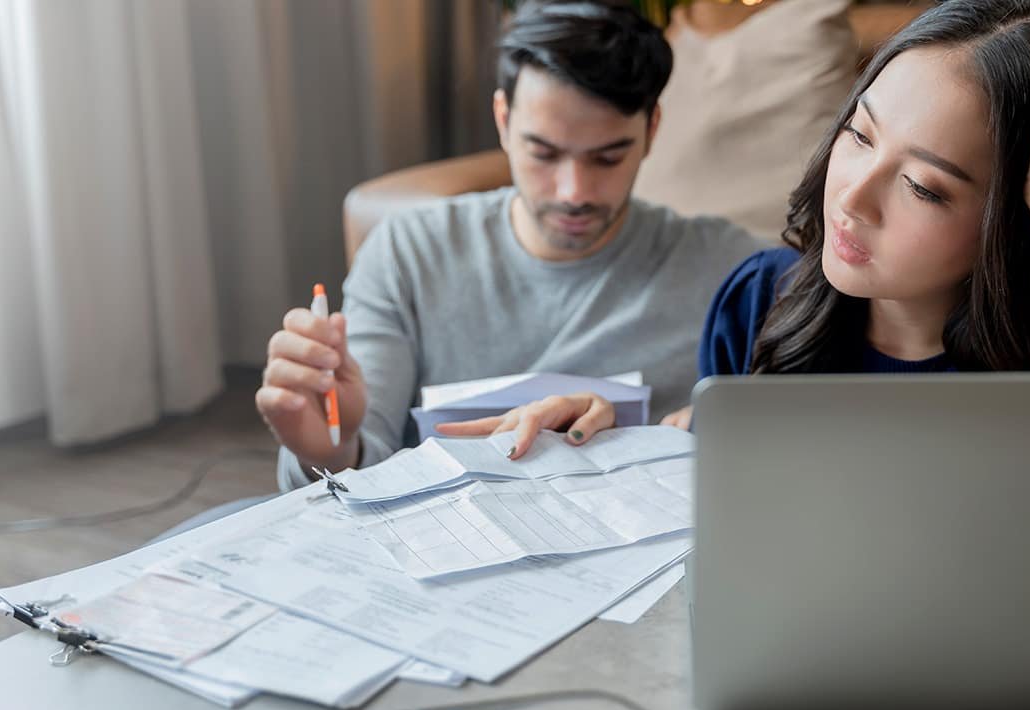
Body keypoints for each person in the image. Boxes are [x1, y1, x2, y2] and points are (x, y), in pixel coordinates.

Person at [440, 0, 1030, 458]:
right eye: (859, 136)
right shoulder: (761, 301)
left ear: (1014, 216)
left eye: (924, 187)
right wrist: (621, 443)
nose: (852, 200)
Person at [256, 0, 764, 490]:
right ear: (503, 121)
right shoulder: (410, 253)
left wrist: (734, 431)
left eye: (608, 158)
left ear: (651, 131)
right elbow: (359, 466)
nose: (574, 193)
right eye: (543, 153)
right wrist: (327, 451)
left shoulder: (731, 270)